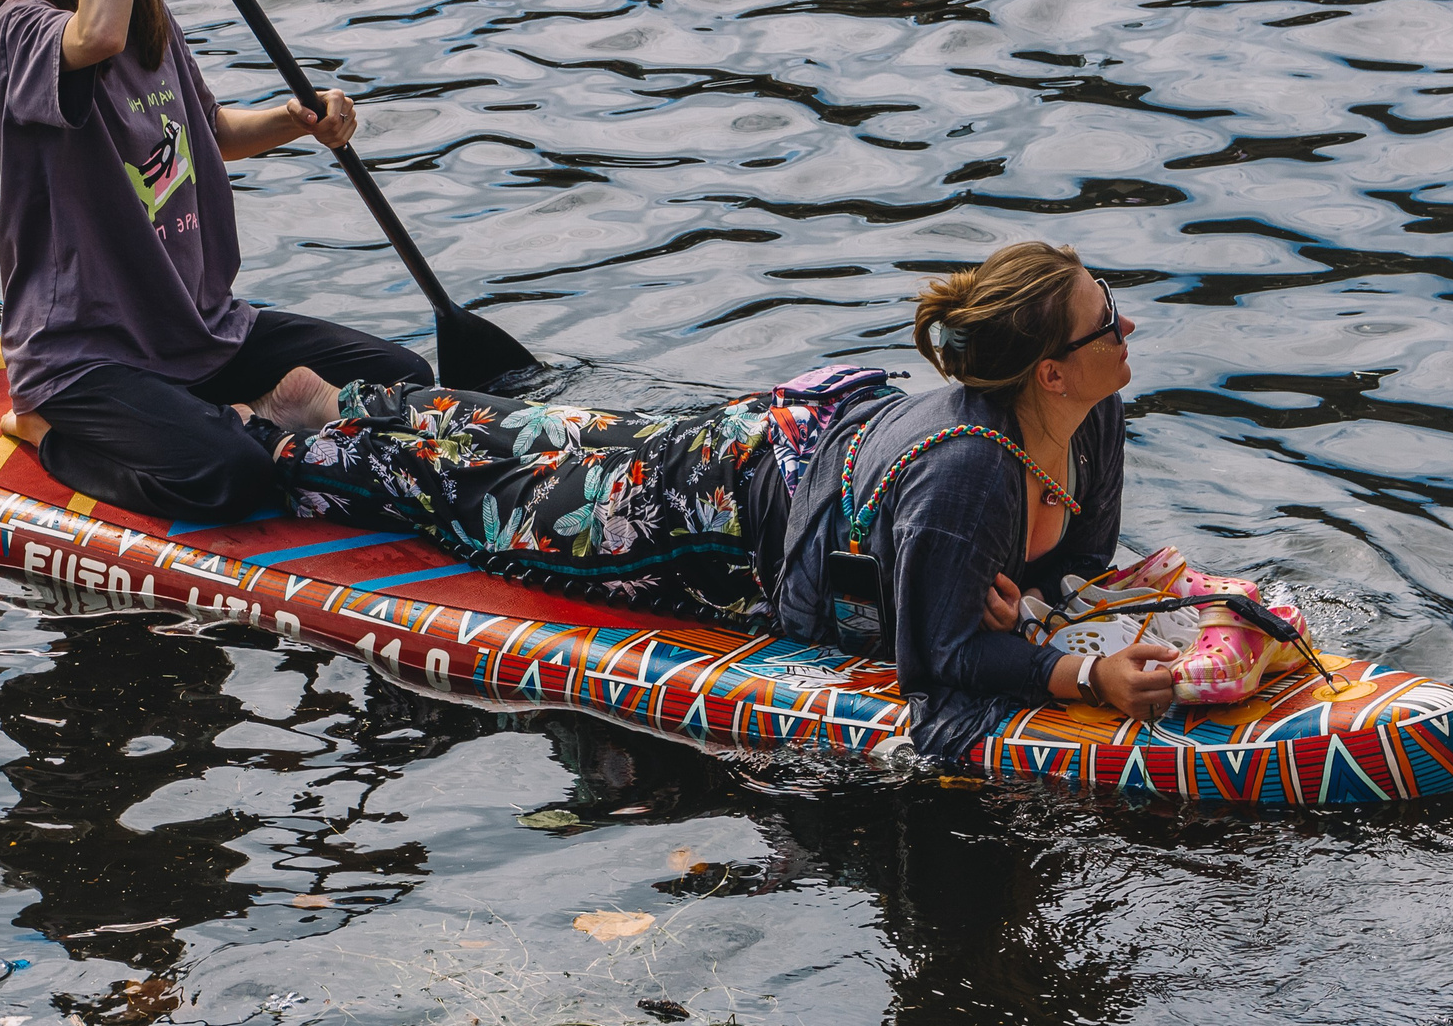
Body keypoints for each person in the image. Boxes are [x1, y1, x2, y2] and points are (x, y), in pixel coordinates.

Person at [256, 241, 1304, 762]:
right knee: (496, 500)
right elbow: (936, 672)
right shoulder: (968, 471)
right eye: (1104, 323)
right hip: (712, 509)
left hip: (805, 450)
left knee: (547, 448)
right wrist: (1077, 674)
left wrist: (1025, 607)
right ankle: (313, 439)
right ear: (1049, 374)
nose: (1127, 332)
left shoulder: (1091, 421)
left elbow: (1054, 574)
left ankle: (355, 405)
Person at [0, 0, 433, 524]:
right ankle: (48, 432)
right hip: (85, 357)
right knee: (236, 476)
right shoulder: (20, 29)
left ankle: (241, 405)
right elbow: (95, 38)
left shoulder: (146, 12)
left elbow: (208, 134)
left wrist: (296, 121)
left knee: (403, 379)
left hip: (198, 328)